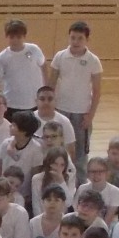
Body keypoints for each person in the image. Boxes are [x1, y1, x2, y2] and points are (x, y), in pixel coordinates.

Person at [47, 20, 102, 165]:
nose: (75, 42)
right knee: (57, 147)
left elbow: (97, 91)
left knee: (80, 153)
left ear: (87, 39)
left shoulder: (93, 61)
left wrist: (90, 115)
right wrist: (50, 108)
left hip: (81, 112)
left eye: (80, 38)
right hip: (61, 109)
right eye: (73, 38)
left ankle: (80, 178)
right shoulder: (60, 56)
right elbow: (51, 85)